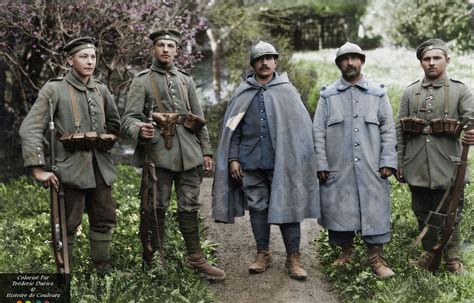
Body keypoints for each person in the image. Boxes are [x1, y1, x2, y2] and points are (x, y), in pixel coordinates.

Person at [121, 29, 225, 281]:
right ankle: (155, 257)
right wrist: (140, 129)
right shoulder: (142, 80)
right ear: (153, 49)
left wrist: (206, 151)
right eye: (161, 45)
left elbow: (198, 119)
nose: (166, 49)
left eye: (170, 45)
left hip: (189, 155)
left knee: (189, 205)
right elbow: (127, 119)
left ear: (177, 50)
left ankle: (195, 258)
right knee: (157, 206)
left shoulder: (186, 80)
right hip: (158, 155)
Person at [212, 41, 320, 280]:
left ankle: (293, 257)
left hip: (282, 164)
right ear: (252, 65)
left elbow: (301, 131)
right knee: (258, 209)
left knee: (288, 207)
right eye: (260, 59)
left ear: (276, 62)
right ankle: (263, 253)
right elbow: (234, 130)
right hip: (250, 164)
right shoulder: (243, 93)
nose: (264, 62)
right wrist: (232, 158)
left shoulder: (288, 91)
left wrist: (298, 159)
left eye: (269, 58)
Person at [19, 37, 121, 272]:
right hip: (68, 169)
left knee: (105, 217)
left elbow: (114, 125)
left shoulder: (101, 90)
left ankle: (102, 268)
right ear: (69, 60)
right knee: (67, 223)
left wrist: (106, 139)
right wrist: (38, 169)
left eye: (93, 57)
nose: (90, 62)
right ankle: (66, 272)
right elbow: (30, 128)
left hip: (100, 168)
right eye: (83, 56)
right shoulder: (54, 89)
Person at [313, 42, 397, 278]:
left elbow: (388, 129)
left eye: (355, 58)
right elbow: (317, 131)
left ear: (362, 61)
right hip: (339, 167)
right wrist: (321, 162)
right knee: (339, 208)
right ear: (339, 64)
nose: (350, 63)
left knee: (375, 209)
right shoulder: (328, 96)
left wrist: (388, 159)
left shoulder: (377, 93)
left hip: (372, 166)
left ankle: (376, 259)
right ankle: (346, 252)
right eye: (345, 59)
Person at [395, 38, 474, 274]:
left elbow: (471, 120)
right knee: (422, 211)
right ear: (421, 62)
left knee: (453, 213)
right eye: (426, 59)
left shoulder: (460, 90)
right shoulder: (410, 92)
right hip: (417, 163)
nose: (431, 63)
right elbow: (399, 129)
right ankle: (429, 254)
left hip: (449, 164)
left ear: (447, 60)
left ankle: (452, 259)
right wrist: (399, 162)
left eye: (436, 58)